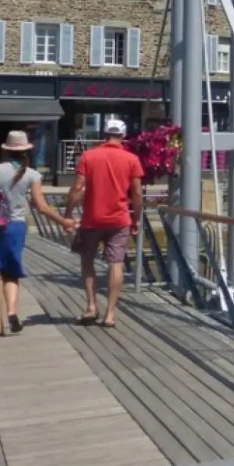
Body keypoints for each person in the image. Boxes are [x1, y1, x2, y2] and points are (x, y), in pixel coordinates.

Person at [0, 130, 74, 337]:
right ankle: (12, 311)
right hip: (14, 227)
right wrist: (63, 221)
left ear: (5, 150)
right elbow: (41, 207)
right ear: (26, 150)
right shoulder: (31, 175)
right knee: (11, 274)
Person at [64, 118, 143, 328]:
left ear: (104, 134)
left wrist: (68, 213)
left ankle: (91, 306)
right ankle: (110, 314)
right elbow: (137, 193)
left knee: (87, 261)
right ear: (123, 135)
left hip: (91, 219)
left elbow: (77, 188)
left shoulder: (88, 156)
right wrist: (136, 218)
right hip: (119, 219)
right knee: (115, 263)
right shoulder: (132, 159)